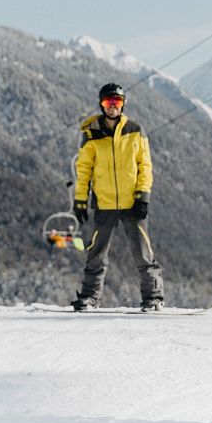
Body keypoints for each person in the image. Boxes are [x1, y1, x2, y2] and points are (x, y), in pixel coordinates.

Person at [71, 82, 164, 312]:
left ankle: (153, 297)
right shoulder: (92, 134)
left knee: (142, 252)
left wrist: (143, 196)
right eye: (107, 102)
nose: (112, 107)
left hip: (132, 202)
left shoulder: (135, 130)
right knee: (96, 253)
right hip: (104, 202)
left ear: (123, 105)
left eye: (117, 102)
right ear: (101, 105)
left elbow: (145, 165)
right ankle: (90, 297)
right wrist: (80, 201)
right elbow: (84, 170)